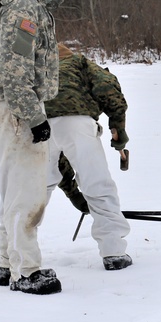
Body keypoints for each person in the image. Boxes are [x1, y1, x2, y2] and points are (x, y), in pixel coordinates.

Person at [0, 0, 69, 295]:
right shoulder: (23, 5)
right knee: (27, 193)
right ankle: (26, 272)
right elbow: (15, 69)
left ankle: (8, 262)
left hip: (6, 107)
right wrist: (34, 117)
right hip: (17, 110)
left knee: (12, 190)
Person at [45, 43, 133, 271]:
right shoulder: (79, 62)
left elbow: (58, 162)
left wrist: (74, 194)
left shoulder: (37, 68)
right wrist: (118, 128)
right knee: (97, 183)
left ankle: (16, 256)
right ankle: (113, 252)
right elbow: (106, 86)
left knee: (35, 188)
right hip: (77, 120)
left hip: (37, 124)